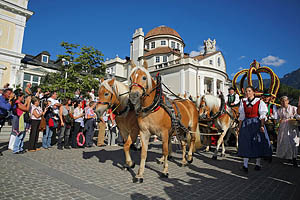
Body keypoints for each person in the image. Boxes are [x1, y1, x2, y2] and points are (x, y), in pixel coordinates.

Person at [237, 86, 272, 172]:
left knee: (257, 142)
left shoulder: (259, 102)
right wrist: (239, 127)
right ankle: (245, 165)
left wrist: (262, 126)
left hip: (256, 123)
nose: (247, 93)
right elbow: (241, 116)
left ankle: (258, 163)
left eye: (249, 91)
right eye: (246, 91)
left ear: (253, 92)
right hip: (246, 124)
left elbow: (262, 115)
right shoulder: (243, 102)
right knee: (246, 142)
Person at [276, 96, 299, 167]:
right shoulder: (280, 110)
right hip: (283, 127)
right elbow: (277, 118)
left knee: (293, 142)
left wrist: (297, 118)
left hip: (292, 126)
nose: (283, 102)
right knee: (285, 141)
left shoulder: (293, 108)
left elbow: (297, 115)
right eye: (282, 101)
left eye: (285, 101)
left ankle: (294, 157)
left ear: (288, 101)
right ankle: (288, 156)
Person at [0, 88, 13, 156]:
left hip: (2, 118)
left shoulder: (6, 100)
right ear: (4, 93)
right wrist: (10, 100)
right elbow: (6, 107)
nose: (10, 95)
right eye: (9, 93)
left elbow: (11, 108)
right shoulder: (0, 99)